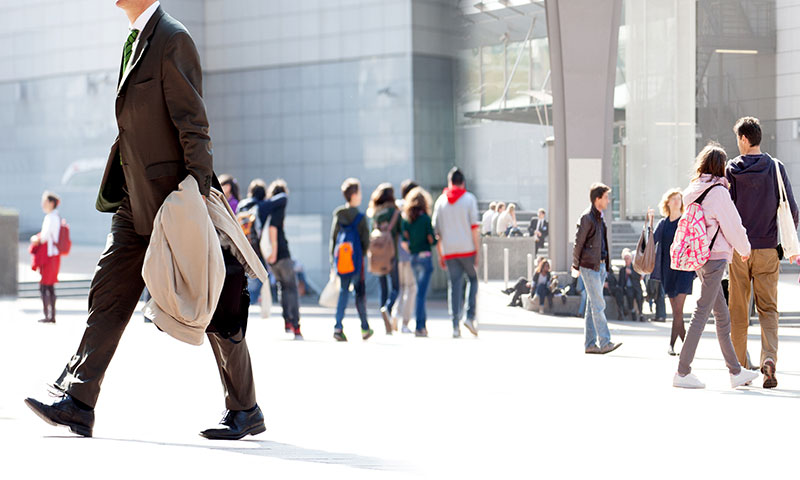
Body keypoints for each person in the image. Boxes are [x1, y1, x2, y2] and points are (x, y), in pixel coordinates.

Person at [24, 0, 266, 440]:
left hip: (173, 204)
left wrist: (193, 196)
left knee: (212, 303)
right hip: (133, 201)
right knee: (109, 292)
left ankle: (245, 407)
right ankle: (78, 400)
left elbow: (195, 125)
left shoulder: (173, 38)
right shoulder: (135, 38)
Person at [672, 143, 759, 389]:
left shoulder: (693, 190)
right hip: (715, 256)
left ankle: (735, 371)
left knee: (722, 315)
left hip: (700, 257)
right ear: (720, 167)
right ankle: (682, 371)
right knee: (702, 312)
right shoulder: (718, 192)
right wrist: (745, 250)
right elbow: (733, 224)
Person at [726, 116, 799, 389]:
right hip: (768, 248)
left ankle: (741, 369)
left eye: (738, 138)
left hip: (738, 250)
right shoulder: (776, 168)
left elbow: (725, 210)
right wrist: (782, 243)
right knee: (768, 310)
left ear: (744, 139)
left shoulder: (731, 169)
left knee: (738, 311)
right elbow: (792, 210)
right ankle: (768, 360)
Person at [573, 183, 622, 354]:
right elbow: (578, 243)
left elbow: (602, 244)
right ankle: (605, 342)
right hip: (589, 266)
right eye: (606, 197)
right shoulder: (587, 218)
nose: (609, 200)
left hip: (600, 266)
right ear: (597, 199)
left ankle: (590, 344)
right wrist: (575, 265)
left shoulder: (600, 217)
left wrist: (606, 265)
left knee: (592, 305)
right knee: (599, 304)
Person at [433, 167, 480, 338]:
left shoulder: (440, 201)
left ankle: (455, 325)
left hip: (450, 250)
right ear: (463, 182)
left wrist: (441, 254)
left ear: (449, 182)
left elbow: (437, 232)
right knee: (473, 279)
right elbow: (474, 227)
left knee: (454, 285)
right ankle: (470, 316)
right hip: (467, 248)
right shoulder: (469, 199)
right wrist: (477, 251)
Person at [649, 188, 696, 355]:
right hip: (668, 271)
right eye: (673, 199)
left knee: (678, 310)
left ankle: (672, 346)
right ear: (667, 202)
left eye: (679, 198)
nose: (677, 201)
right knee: (677, 311)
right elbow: (651, 242)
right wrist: (650, 223)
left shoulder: (686, 221)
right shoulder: (663, 224)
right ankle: (685, 346)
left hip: (684, 271)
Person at [331, 178, 372, 341]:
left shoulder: (339, 214)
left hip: (341, 261)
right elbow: (365, 242)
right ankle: (364, 328)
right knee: (359, 293)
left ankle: (338, 327)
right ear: (354, 195)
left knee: (343, 293)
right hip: (356, 262)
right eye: (359, 192)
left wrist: (332, 262)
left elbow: (333, 240)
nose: (361, 196)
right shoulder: (360, 217)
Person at [237, 179, 287, 304]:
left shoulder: (241, 206)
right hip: (256, 252)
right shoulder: (261, 206)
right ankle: (246, 305)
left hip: (240, 250)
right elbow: (283, 197)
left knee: (242, 283)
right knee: (258, 281)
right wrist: (269, 200)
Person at [264, 179, 302, 340]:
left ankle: (287, 321)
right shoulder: (279, 207)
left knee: (282, 287)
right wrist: (275, 251)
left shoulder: (268, 208)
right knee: (291, 288)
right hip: (281, 254)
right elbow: (273, 228)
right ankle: (296, 325)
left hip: (272, 257)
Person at [401, 186, 437, 337]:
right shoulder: (426, 219)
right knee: (421, 294)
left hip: (414, 258)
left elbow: (404, 242)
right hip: (425, 257)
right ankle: (420, 326)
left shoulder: (407, 220)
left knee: (419, 292)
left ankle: (422, 325)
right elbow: (432, 240)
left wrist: (412, 250)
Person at [367, 183, 401, 335]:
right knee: (396, 287)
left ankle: (386, 323)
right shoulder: (394, 212)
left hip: (376, 257)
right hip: (391, 254)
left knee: (383, 288)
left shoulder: (374, 214)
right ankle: (387, 308)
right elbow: (402, 231)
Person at [30, 191, 62, 324]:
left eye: (45, 202)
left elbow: (44, 237)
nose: (43, 204)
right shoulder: (55, 217)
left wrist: (35, 238)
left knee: (45, 285)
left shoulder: (51, 218)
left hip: (49, 256)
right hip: (53, 255)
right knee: (49, 286)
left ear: (51, 203)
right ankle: (50, 315)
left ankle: (49, 315)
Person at [394, 179, 419, 333]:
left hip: (396, 254)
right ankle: (404, 323)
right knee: (412, 288)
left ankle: (395, 315)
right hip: (409, 253)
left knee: (401, 288)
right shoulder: (411, 209)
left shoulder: (396, 207)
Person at [618, 249, 644, 322]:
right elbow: (621, 282)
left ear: (631, 259)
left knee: (639, 296)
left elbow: (638, 277)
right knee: (630, 295)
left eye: (628, 259)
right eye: (625, 259)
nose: (626, 260)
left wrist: (631, 273)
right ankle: (632, 312)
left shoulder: (635, 268)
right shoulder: (622, 270)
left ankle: (641, 314)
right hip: (628, 287)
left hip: (636, 286)